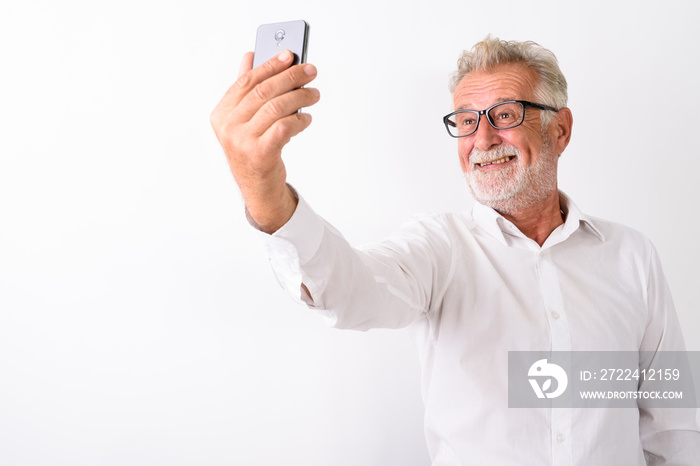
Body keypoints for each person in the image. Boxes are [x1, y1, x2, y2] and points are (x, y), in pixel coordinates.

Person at [211, 36, 700, 465]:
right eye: (466, 121)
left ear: (561, 130)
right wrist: (264, 188)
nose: (482, 139)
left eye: (506, 115)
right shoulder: (438, 249)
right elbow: (349, 290)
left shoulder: (633, 255)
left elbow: (673, 428)